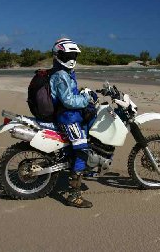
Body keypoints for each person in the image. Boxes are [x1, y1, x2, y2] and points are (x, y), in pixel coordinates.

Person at [49, 38, 97, 208]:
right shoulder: (61, 75)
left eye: (74, 55)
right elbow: (68, 100)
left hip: (70, 115)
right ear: (58, 55)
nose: (71, 58)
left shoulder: (64, 72)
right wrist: (86, 98)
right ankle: (74, 195)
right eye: (68, 55)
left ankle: (78, 167)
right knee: (82, 151)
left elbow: (70, 93)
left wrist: (84, 92)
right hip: (68, 118)